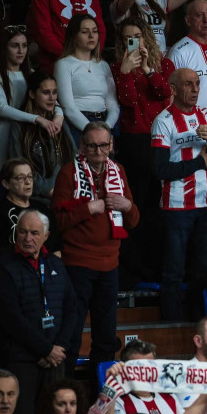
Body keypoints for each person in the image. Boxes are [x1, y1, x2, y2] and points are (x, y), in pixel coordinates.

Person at [51, 121, 138, 374]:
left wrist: (127, 206)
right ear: (82, 147)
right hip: (77, 265)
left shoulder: (118, 170)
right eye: (92, 146)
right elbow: (56, 223)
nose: (99, 151)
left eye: (103, 145)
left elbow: (134, 220)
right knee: (71, 332)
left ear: (111, 145)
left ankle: (102, 398)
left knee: (106, 336)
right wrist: (87, 208)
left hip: (110, 265)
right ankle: (64, 395)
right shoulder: (69, 173)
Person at [151, 68, 207, 321]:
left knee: (204, 270)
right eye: (188, 84)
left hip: (205, 204)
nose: (195, 89)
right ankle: (171, 325)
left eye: (197, 84)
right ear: (173, 89)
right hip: (175, 207)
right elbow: (160, 169)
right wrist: (199, 162)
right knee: (174, 271)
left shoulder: (206, 115)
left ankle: (200, 321)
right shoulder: (163, 120)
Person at [0, 209, 81, 414]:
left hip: (55, 360)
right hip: (21, 360)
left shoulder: (56, 264)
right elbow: (11, 319)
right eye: (23, 232)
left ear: (46, 236)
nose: (28, 238)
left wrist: (59, 348)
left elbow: (71, 308)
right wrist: (45, 349)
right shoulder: (3, 267)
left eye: (34, 233)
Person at [110, 17, 174, 272]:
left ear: (146, 38)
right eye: (128, 37)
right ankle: (133, 265)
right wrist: (126, 72)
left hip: (159, 137)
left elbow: (164, 92)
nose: (133, 41)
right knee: (134, 199)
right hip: (133, 139)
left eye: (137, 35)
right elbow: (129, 100)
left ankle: (155, 263)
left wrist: (148, 68)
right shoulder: (116, 67)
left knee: (156, 201)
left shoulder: (164, 64)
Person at [0, 26, 62, 176]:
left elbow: (55, 103)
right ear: (4, 48)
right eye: (14, 46)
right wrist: (38, 119)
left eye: (24, 45)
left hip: (25, 142)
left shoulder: (31, 74)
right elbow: (2, 108)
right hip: (0, 143)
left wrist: (58, 118)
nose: (21, 51)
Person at [8, 72, 76, 200]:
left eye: (54, 92)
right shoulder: (19, 126)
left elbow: (74, 156)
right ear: (32, 94)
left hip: (65, 192)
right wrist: (48, 190)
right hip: (34, 197)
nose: (52, 98)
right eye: (46, 93)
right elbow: (18, 165)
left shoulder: (60, 122)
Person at [0, 158, 61, 267]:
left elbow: (56, 249)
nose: (28, 182)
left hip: (44, 270)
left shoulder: (42, 209)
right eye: (20, 178)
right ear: (6, 184)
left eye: (30, 176)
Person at [53, 14, 119, 144]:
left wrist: (107, 127)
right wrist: (92, 131)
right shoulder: (63, 64)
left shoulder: (104, 65)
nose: (91, 36)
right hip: (78, 123)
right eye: (85, 32)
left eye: (95, 31)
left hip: (104, 122)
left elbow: (113, 104)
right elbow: (68, 107)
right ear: (74, 36)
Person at [167, 0, 207, 126]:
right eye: (199, 15)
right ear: (188, 20)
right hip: (192, 127)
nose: (206, 20)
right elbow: (170, 95)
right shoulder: (179, 52)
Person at [113, 339, 181, 414]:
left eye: (150, 367)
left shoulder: (170, 397)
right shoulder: (118, 402)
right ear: (125, 369)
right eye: (139, 368)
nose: (145, 373)